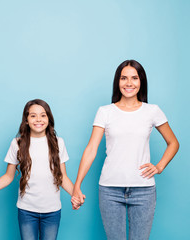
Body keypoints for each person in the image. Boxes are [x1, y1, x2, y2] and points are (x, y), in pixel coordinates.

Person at [71, 60, 179, 240]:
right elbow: (91, 149)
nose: (129, 83)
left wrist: (159, 166)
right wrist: (77, 185)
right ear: (117, 82)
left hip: (144, 190)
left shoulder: (152, 111)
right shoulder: (105, 112)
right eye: (124, 78)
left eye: (134, 78)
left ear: (141, 81)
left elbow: (173, 142)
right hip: (109, 190)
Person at [0, 99, 78, 240]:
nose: (38, 119)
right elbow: (8, 176)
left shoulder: (58, 143)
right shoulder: (17, 143)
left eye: (43, 115)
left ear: (49, 119)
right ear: (26, 120)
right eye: (33, 115)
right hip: (26, 210)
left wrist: (75, 194)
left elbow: (62, 177)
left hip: (52, 211)